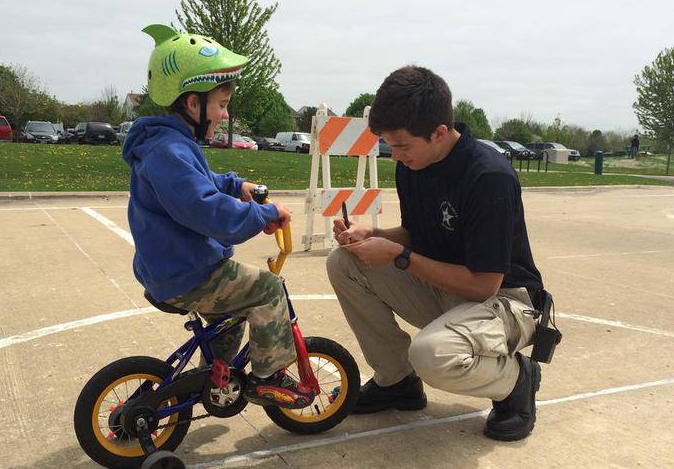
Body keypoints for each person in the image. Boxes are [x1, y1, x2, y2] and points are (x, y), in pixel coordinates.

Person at [326, 65, 546, 441]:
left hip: (506, 300)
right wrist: (372, 234)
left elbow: (483, 285)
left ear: (440, 133)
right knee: (344, 262)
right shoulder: (414, 164)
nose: (394, 156)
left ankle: (517, 380)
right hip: (451, 288)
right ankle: (397, 382)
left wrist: (398, 255)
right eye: (390, 145)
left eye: (401, 145)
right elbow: (416, 234)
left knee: (431, 355)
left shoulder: (489, 178)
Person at [122, 24, 313, 409]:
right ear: (193, 103)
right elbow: (205, 210)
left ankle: (218, 376)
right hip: (187, 272)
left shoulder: (171, 144)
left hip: (171, 267)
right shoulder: (169, 152)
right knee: (266, 289)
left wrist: (236, 185)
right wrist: (262, 214)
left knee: (234, 312)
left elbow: (204, 183)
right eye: (221, 105)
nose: (224, 114)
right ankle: (268, 377)